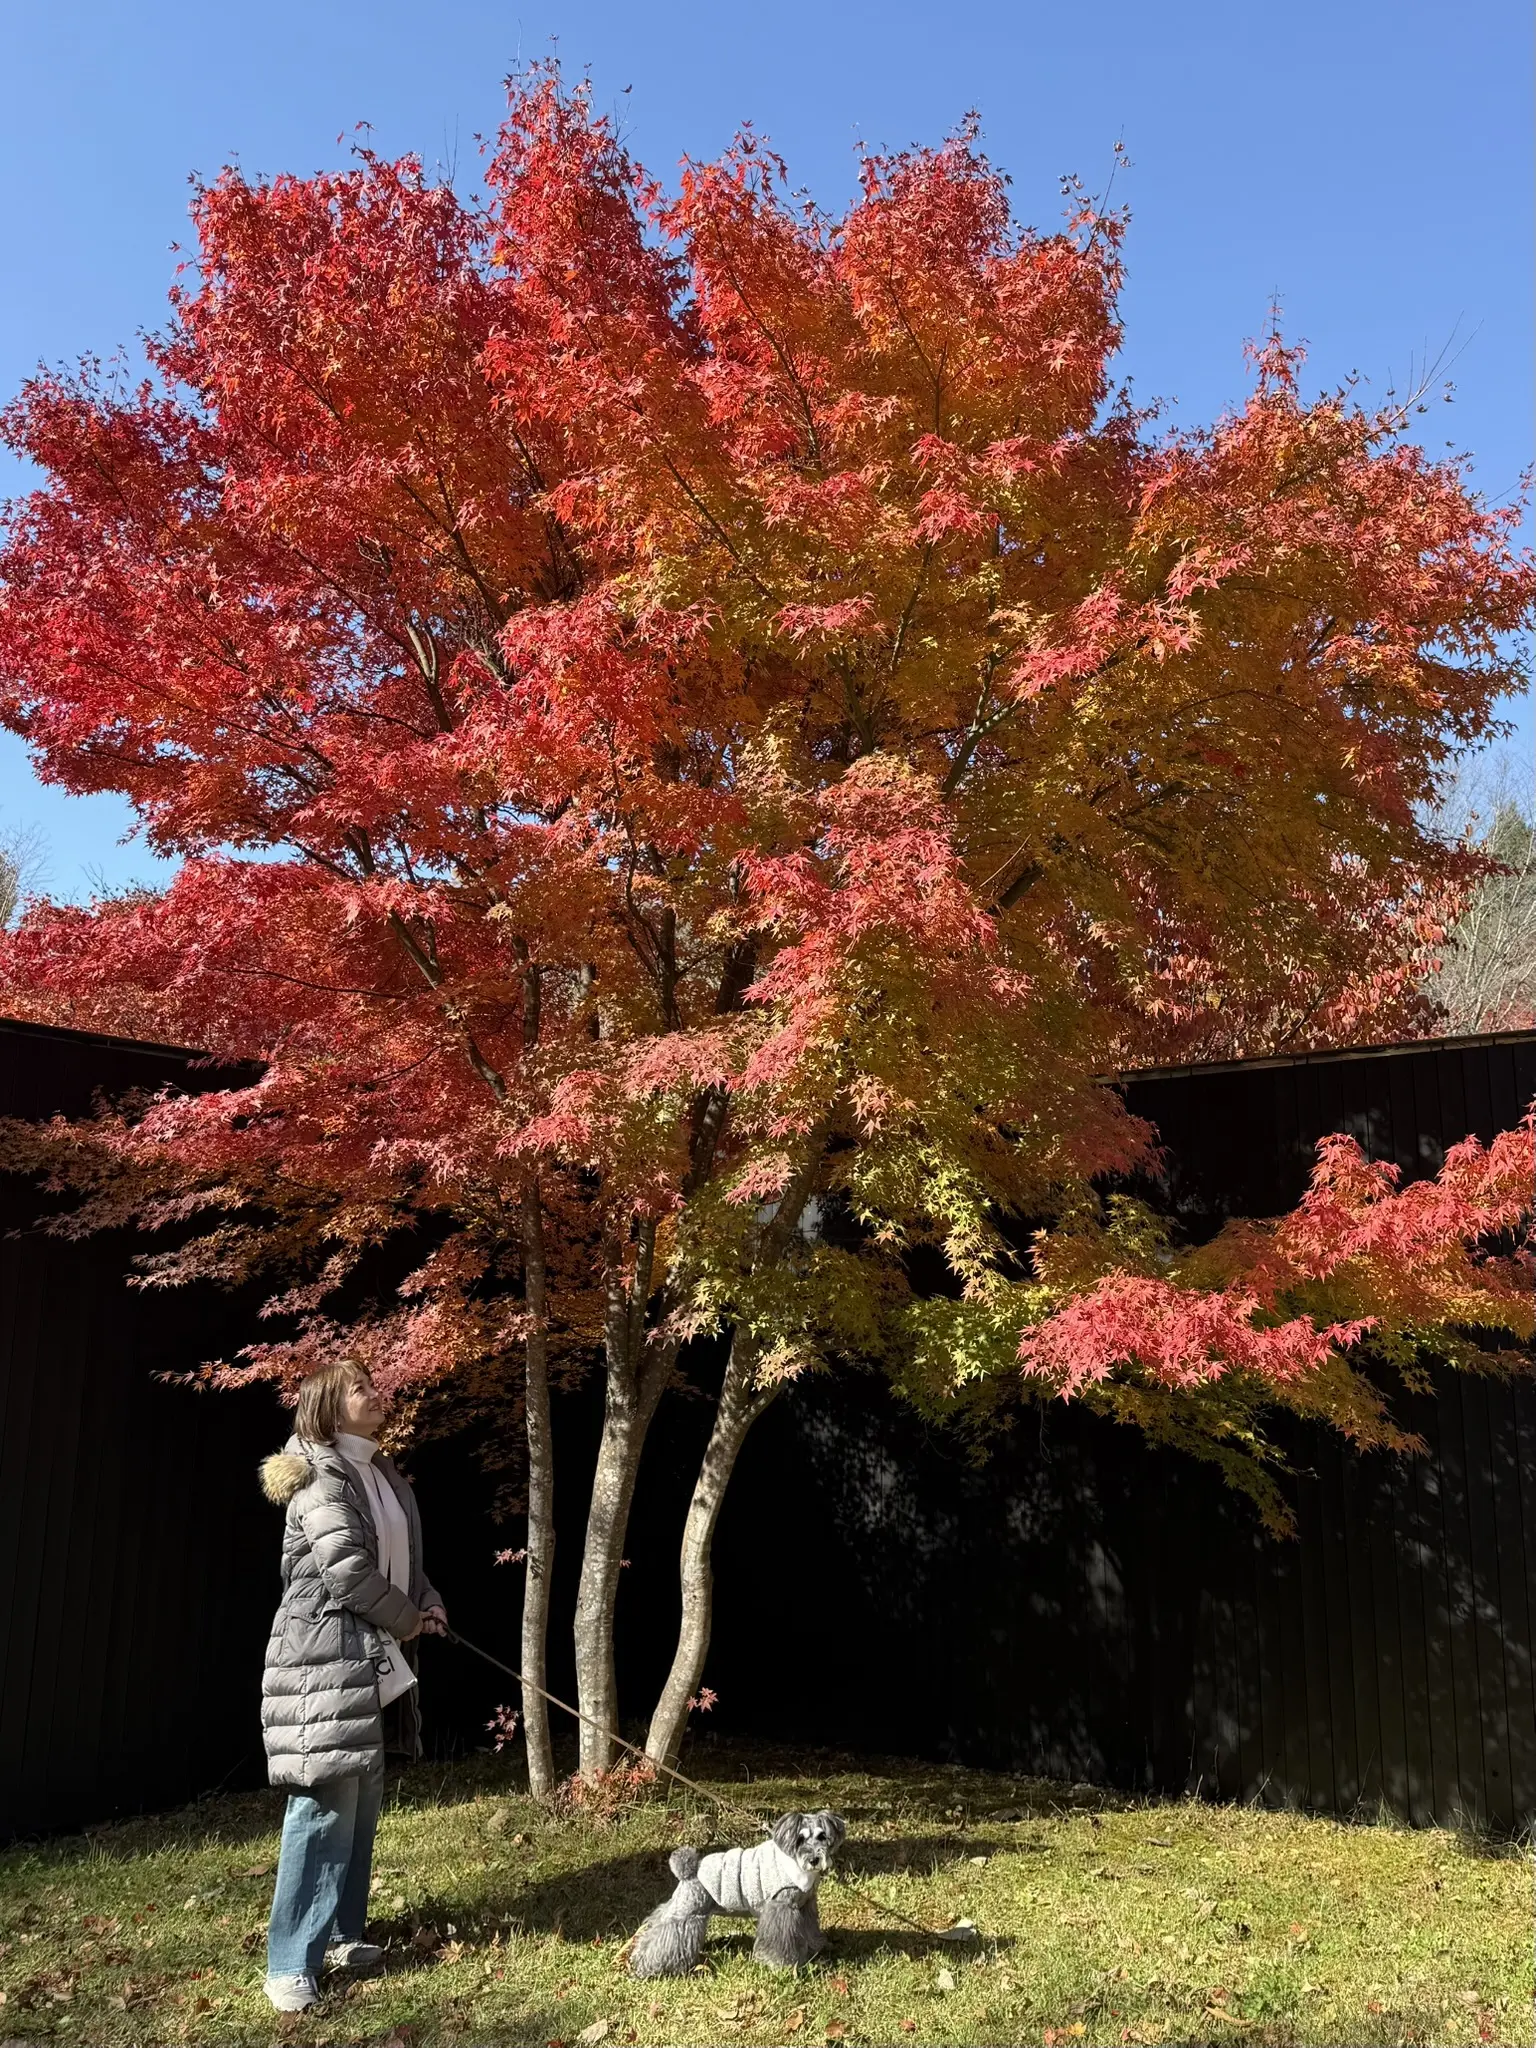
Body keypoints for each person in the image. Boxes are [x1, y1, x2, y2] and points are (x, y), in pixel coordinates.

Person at [256, 1360, 448, 2012]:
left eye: (372, 1382)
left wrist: (429, 1600)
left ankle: (340, 1934)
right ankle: (289, 1962)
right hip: (323, 1658)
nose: (376, 1392)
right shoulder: (316, 1471)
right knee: (323, 1807)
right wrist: (409, 1618)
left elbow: (404, 1561)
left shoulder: (382, 1471)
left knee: (361, 1800)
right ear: (330, 1408)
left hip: (373, 1653)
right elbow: (347, 1572)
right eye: (361, 1388)